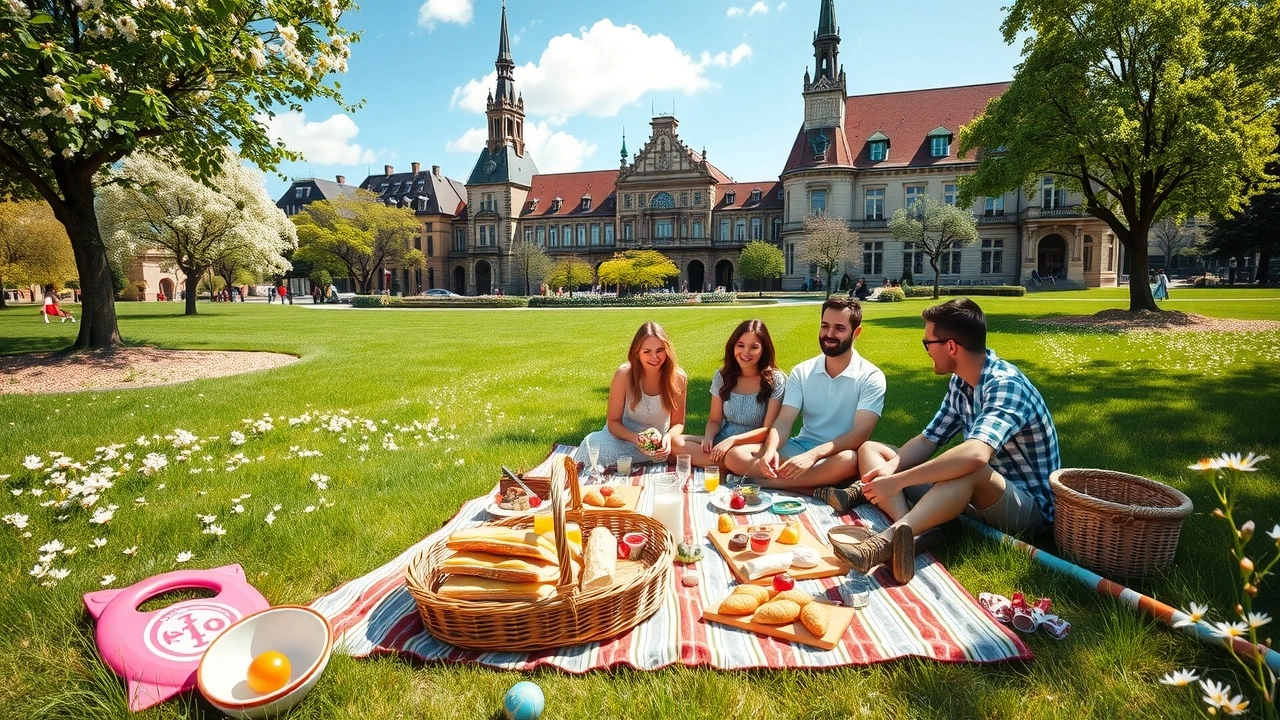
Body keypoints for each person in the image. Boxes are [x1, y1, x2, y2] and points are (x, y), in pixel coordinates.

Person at [828, 298, 1060, 584]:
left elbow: (975, 455)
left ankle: (882, 543)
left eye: (928, 343)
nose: (926, 350)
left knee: (967, 467)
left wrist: (898, 481)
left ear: (951, 347)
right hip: (978, 496)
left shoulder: (1006, 385)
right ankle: (910, 532)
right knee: (871, 449)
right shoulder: (962, 381)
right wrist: (891, 470)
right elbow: (928, 439)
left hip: (1028, 510)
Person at [723, 298, 885, 493]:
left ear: (856, 332)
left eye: (839, 328)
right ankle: (812, 486)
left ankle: (767, 483)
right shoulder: (802, 371)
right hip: (801, 446)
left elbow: (861, 433)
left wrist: (813, 456)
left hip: (839, 453)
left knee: (849, 461)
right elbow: (784, 420)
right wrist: (771, 449)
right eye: (825, 326)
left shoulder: (871, 376)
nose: (829, 334)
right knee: (735, 455)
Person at [671, 320, 786, 467]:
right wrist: (709, 438)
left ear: (764, 349)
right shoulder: (722, 375)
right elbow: (714, 420)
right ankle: (731, 468)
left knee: (735, 455)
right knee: (677, 442)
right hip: (722, 440)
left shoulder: (775, 380)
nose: (745, 352)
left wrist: (733, 441)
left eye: (754, 347)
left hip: (753, 446)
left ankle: (725, 465)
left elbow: (767, 431)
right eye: (740, 345)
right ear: (733, 346)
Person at [574, 321, 688, 469]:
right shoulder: (624, 375)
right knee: (592, 444)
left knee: (682, 450)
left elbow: (678, 423)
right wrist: (636, 439)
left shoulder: (678, 377)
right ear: (637, 353)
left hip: (656, 445)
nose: (655, 357)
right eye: (647, 351)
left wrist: (668, 437)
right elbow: (613, 423)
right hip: (623, 439)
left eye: (660, 350)